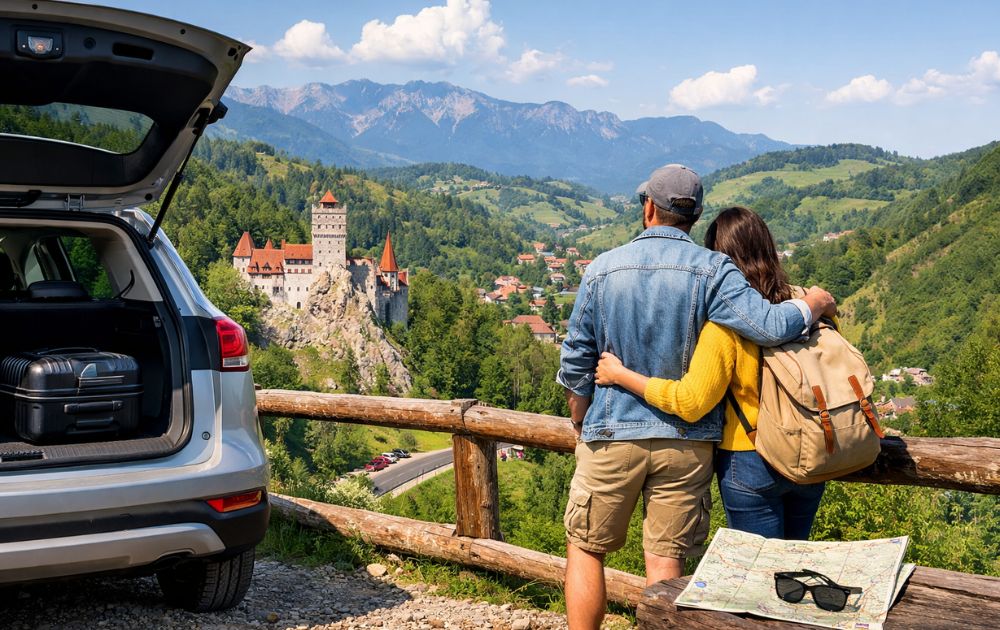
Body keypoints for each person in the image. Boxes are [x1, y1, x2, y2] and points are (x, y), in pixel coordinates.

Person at [557, 166, 836, 630]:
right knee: (665, 558)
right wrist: (814, 303)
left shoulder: (602, 268)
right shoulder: (714, 270)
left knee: (586, 548)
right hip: (686, 442)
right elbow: (767, 325)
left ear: (649, 207)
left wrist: (580, 416)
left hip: (612, 431)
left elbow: (576, 358)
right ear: (695, 215)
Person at [595, 206, 827, 542]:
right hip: (812, 452)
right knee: (793, 560)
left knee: (759, 567)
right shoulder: (808, 305)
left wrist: (620, 375)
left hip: (752, 456)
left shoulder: (725, 327)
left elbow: (690, 402)